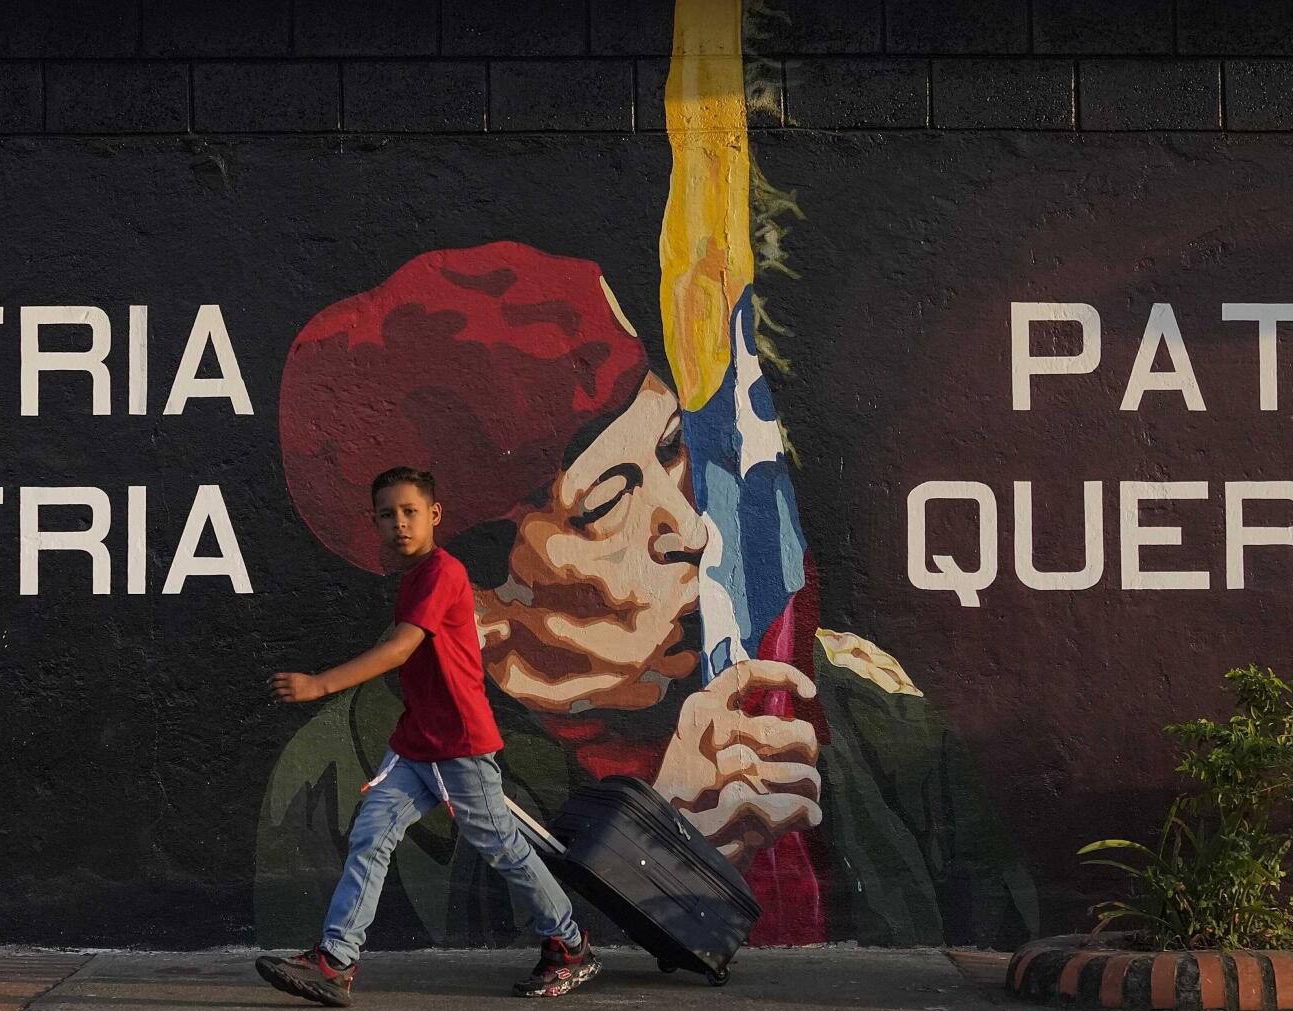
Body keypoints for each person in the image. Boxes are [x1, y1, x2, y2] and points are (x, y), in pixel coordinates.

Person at [257, 242, 1038, 954]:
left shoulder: (850, 700)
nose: (693, 527)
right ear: (483, 607)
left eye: (673, 450)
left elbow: (997, 941)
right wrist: (663, 851)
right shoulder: (348, 771)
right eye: (607, 502)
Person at [253, 465, 600, 1004]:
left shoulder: (442, 573)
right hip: (419, 745)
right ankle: (336, 960)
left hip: (458, 744)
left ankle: (570, 944)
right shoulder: (415, 578)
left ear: (434, 514)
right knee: (372, 836)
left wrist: (320, 684)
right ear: (375, 522)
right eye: (387, 515)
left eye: (410, 512)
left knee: (503, 848)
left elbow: (399, 648)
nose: (399, 524)